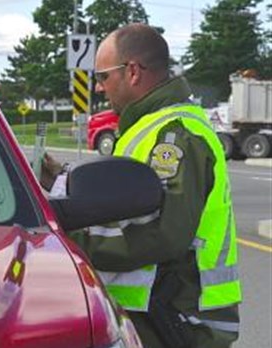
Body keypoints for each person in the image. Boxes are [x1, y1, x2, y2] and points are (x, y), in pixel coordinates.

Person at [42, 23, 241, 348]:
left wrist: (69, 241)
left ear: (132, 71)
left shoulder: (175, 135)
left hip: (178, 319)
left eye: (103, 76)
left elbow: (162, 231)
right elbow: (127, 198)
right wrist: (62, 180)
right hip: (155, 312)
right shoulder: (147, 126)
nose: (99, 88)